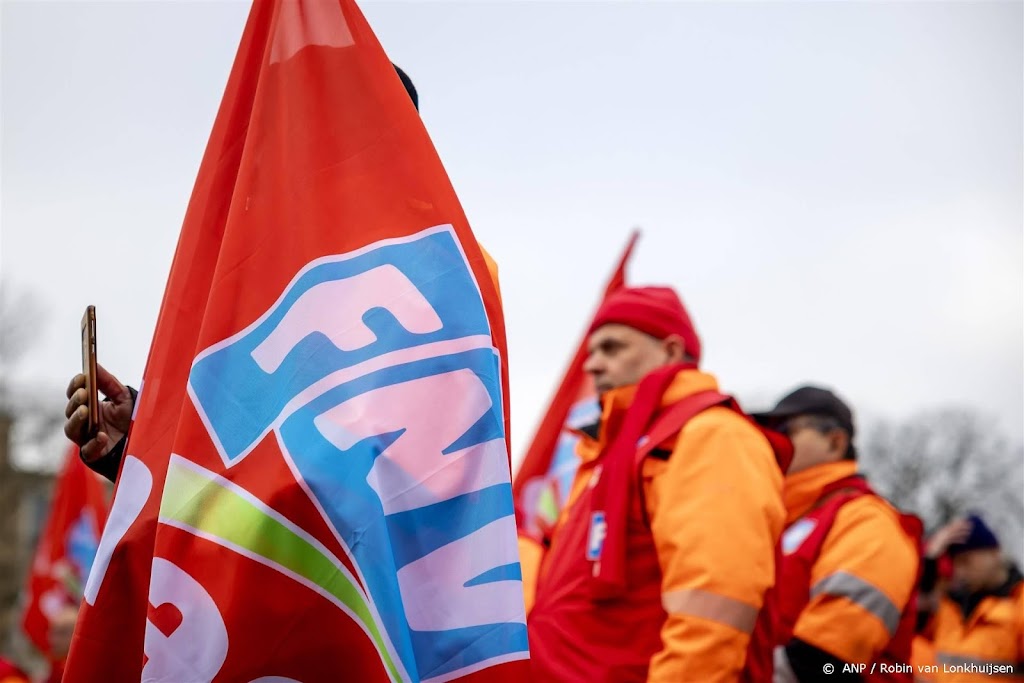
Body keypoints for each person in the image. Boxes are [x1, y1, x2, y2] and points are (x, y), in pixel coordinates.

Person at [527, 286, 788, 682]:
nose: (593, 365)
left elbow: (712, 611)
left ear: (669, 351)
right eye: (591, 352)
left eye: (612, 348)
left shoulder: (711, 436)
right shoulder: (607, 454)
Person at [752, 386, 922, 683]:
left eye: (786, 429)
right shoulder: (781, 522)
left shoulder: (867, 520)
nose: (772, 440)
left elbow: (827, 656)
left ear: (835, 442)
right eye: (767, 432)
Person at [924, 515, 1023, 683]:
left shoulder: (1018, 605)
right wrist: (929, 560)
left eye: (966, 561)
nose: (960, 571)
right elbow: (908, 614)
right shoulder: (949, 608)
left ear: (993, 553)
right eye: (955, 564)